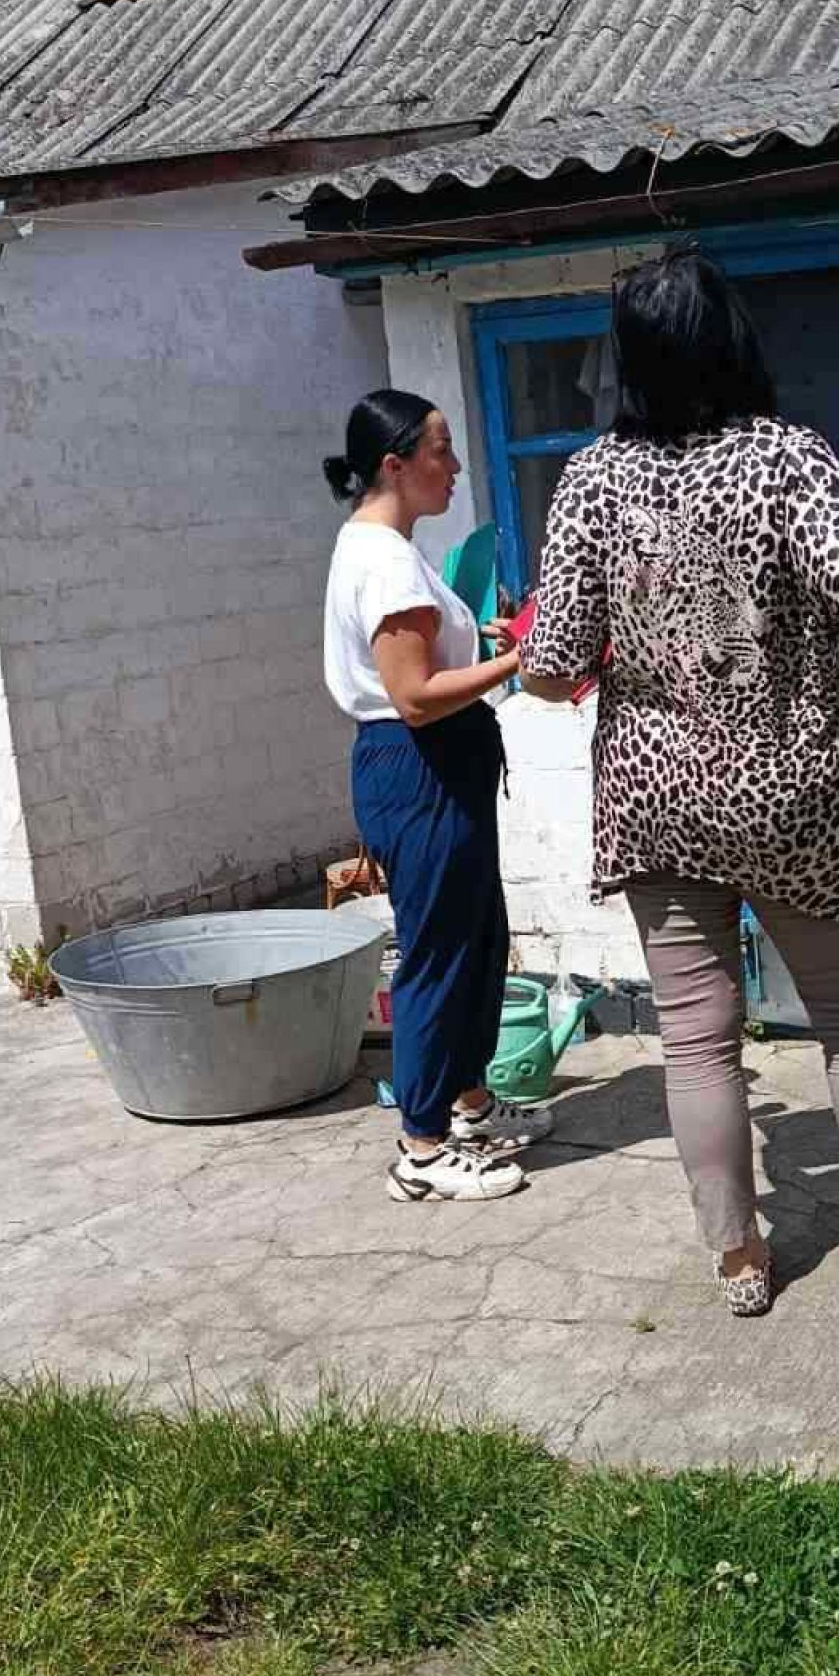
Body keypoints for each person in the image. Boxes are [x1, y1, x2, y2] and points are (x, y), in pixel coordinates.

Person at [517, 249, 839, 1314]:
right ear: (732, 340)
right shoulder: (789, 458)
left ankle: (739, 1260)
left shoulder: (592, 479)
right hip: (794, 784)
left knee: (695, 1039)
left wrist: (567, 654)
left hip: (655, 797)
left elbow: (549, 669)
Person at [322, 390, 550, 1204]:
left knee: (476, 937)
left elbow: (424, 654)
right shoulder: (383, 560)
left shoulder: (392, 549)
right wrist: (520, 659)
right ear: (395, 465)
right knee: (439, 952)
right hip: (418, 764)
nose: (454, 467)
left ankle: (468, 1102)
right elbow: (415, 696)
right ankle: (420, 1147)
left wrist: (484, 639)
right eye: (440, 451)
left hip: (439, 763)